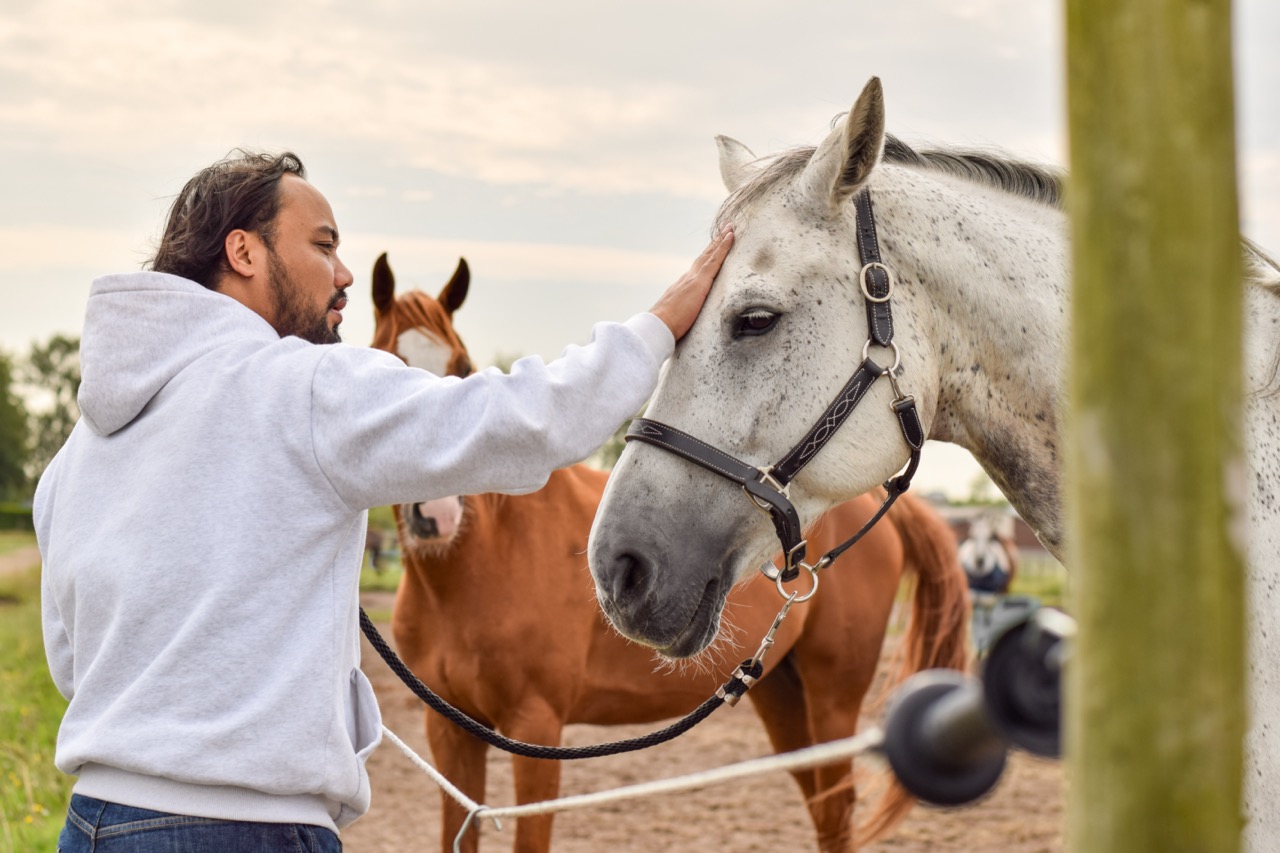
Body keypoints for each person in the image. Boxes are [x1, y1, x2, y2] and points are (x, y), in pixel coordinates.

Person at [36, 149, 733, 852]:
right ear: (243, 252)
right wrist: (655, 328)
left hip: (96, 819)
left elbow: (75, 663)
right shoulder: (307, 387)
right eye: (323, 245)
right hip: (244, 828)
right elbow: (524, 419)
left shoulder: (78, 453)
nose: (343, 273)